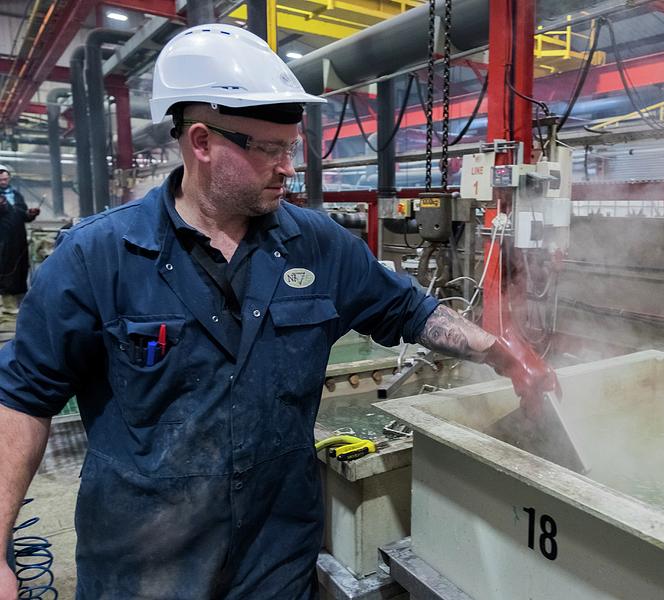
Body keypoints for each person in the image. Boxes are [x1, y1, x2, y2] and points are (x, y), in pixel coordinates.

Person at [0, 24, 558, 600]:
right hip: (143, 566)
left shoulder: (319, 245)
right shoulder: (97, 256)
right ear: (201, 141)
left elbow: (408, 308)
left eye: (291, 147)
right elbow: (21, 399)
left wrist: (496, 350)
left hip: (275, 560)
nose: (288, 167)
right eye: (268, 149)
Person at [0, 165, 39, 320]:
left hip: (19, 239)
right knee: (5, 269)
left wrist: (31, 214)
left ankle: (22, 302)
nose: (3, 182)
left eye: (5, 178)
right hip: (3, 239)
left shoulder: (16, 195)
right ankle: (8, 304)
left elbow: (22, 215)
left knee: (21, 267)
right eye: (0, 179)